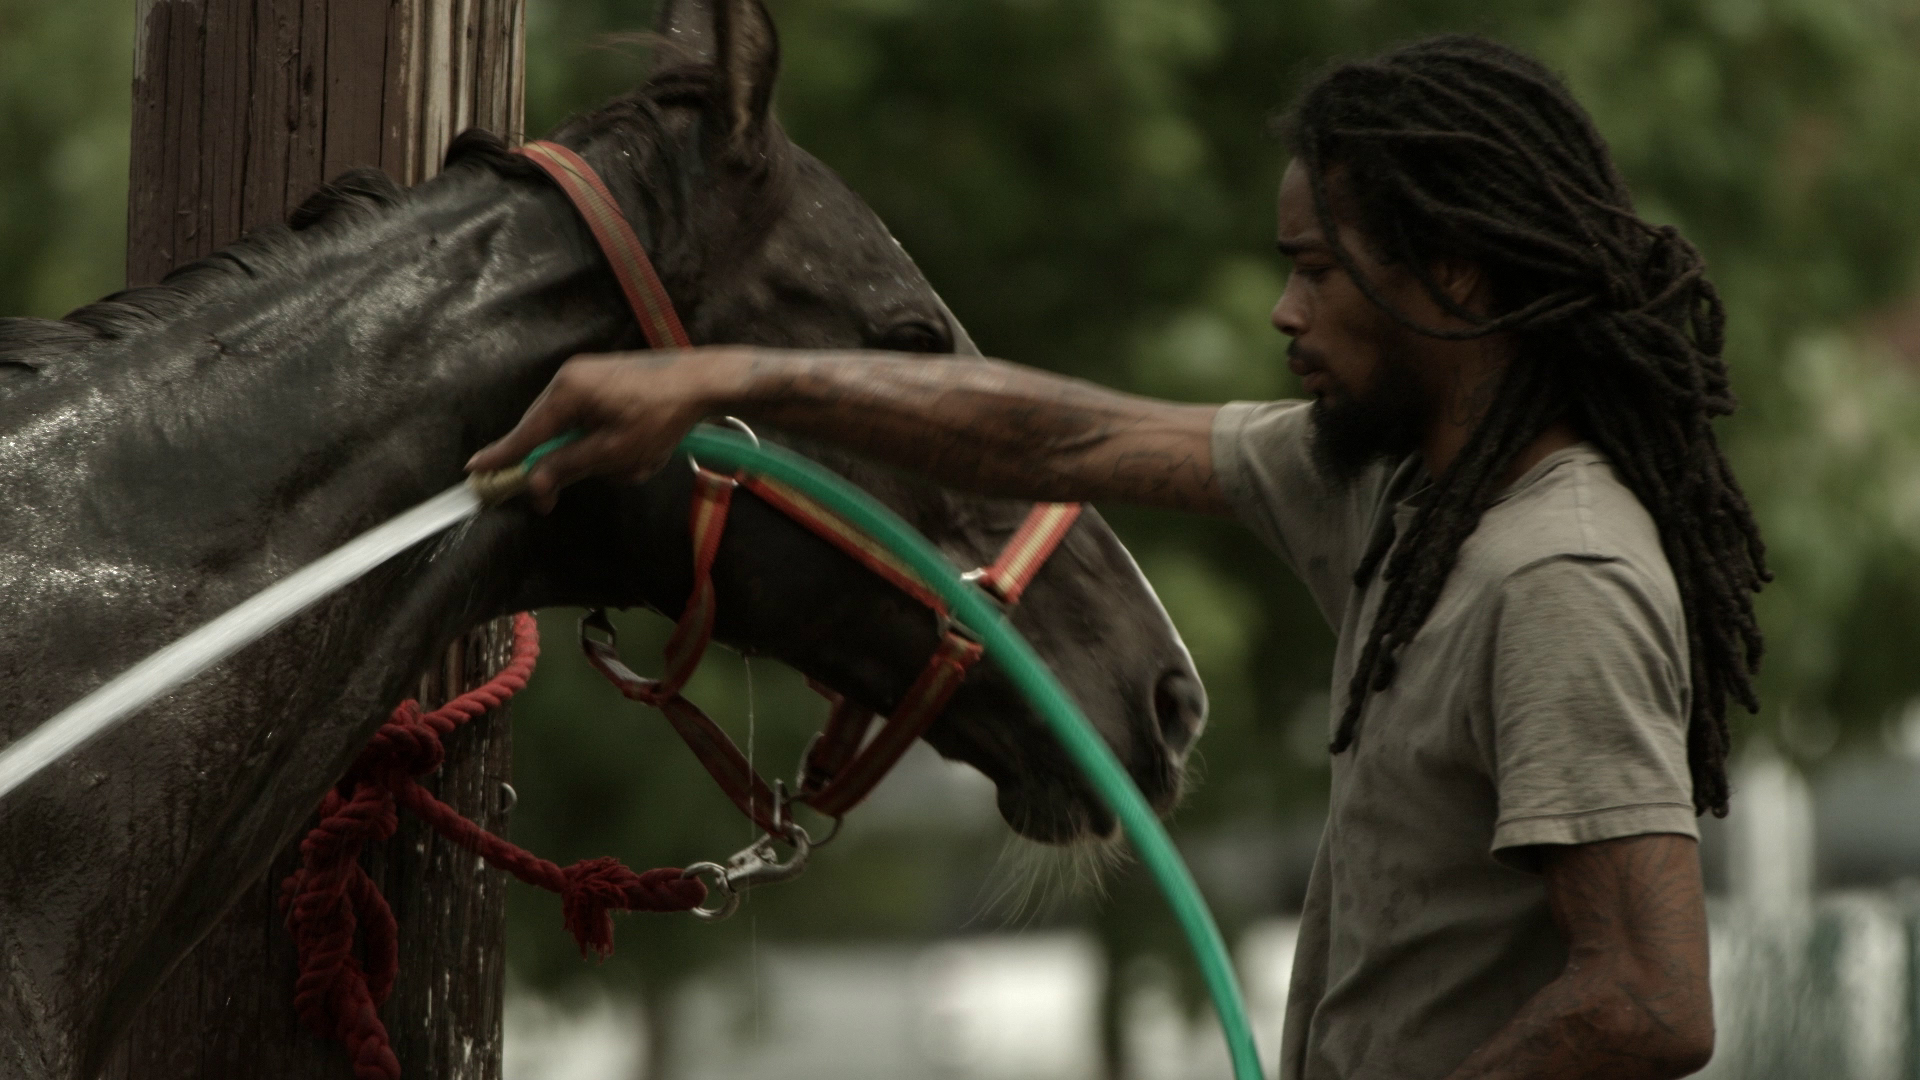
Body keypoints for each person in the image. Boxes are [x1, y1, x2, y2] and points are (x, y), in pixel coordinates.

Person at [469, 34, 1766, 1080]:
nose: (1284, 309)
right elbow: (1061, 433)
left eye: (1320, 271)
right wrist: (718, 379)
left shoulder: (1557, 579)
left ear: (1459, 278)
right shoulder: (1398, 489)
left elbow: (1649, 1001)